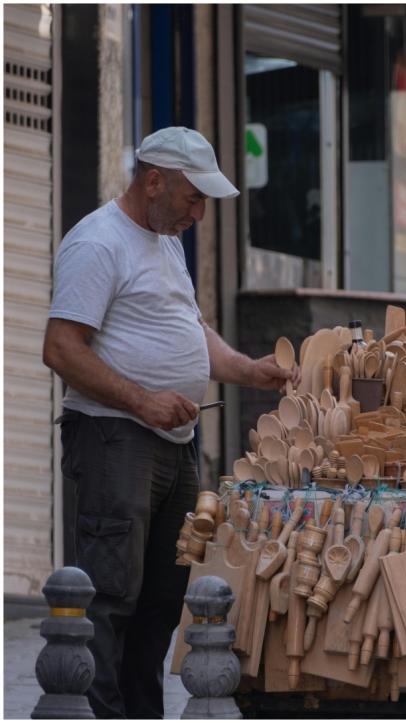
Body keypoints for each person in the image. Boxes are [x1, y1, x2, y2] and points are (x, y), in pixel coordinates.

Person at [42, 126, 301, 719]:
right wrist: (142, 401)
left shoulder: (165, 239)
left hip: (171, 446)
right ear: (153, 181)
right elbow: (60, 348)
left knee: (163, 598)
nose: (199, 214)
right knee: (110, 596)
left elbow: (189, 329)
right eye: (193, 198)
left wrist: (245, 369)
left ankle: (142, 714)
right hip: (115, 440)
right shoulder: (99, 242)